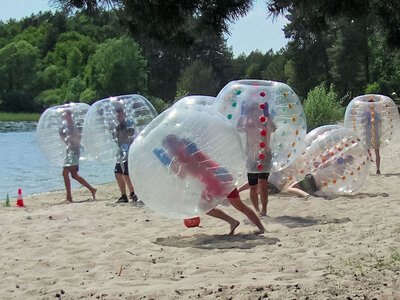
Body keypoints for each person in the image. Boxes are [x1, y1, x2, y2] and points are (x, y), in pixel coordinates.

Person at [158, 134, 265, 234]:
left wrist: (169, 163)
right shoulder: (186, 150)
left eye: (167, 149)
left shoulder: (183, 154)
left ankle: (233, 222)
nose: (168, 152)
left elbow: (183, 174)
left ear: (172, 146)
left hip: (214, 181)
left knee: (203, 207)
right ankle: (261, 228)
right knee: (240, 206)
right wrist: (171, 163)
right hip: (221, 174)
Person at [237, 100, 276, 216]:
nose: (253, 115)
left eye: (254, 112)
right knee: (253, 187)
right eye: (250, 112)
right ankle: (257, 210)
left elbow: (273, 129)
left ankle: (264, 209)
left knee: (262, 182)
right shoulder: (247, 123)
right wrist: (242, 115)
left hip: (265, 156)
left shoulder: (265, 122)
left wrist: (267, 115)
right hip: (251, 156)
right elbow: (238, 129)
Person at [59, 109, 97, 202]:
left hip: (75, 151)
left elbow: (78, 140)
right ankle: (92, 189)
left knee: (65, 173)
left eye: (66, 115)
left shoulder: (76, 125)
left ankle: (69, 196)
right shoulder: (66, 127)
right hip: (69, 151)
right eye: (63, 116)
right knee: (74, 175)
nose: (64, 117)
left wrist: (70, 136)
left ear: (70, 115)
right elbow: (66, 141)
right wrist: (62, 135)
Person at [113, 107, 139, 203]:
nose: (118, 115)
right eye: (117, 113)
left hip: (128, 152)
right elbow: (116, 139)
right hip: (121, 152)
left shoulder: (129, 124)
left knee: (126, 174)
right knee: (118, 174)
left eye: (120, 113)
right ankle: (124, 195)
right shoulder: (118, 126)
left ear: (124, 114)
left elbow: (131, 134)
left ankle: (132, 193)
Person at [364, 98, 381, 174]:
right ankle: (377, 169)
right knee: (376, 151)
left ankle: (373, 168)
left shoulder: (366, 114)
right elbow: (380, 122)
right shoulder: (377, 113)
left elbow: (363, 123)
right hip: (374, 133)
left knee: (368, 151)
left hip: (369, 133)